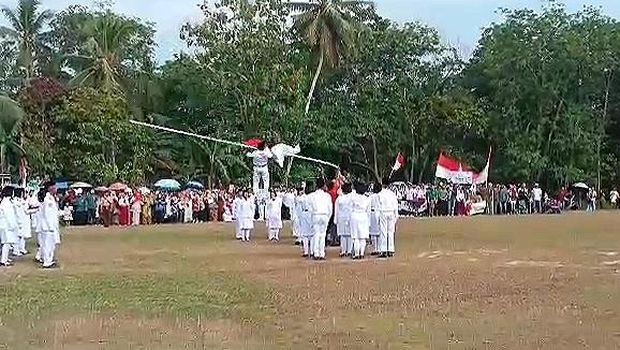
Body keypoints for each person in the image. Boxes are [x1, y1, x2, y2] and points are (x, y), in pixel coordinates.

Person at [308, 178, 332, 260]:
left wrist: (311, 217)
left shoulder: (312, 196)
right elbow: (330, 209)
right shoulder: (327, 196)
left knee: (316, 234)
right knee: (323, 234)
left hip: (316, 215)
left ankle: (316, 253)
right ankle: (322, 253)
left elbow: (309, 208)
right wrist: (328, 218)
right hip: (324, 215)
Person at [38, 181, 60, 269]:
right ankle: (46, 262)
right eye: (55, 187)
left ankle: (49, 260)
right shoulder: (47, 199)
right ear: (50, 188)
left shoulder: (51, 198)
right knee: (47, 244)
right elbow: (47, 214)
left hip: (52, 225)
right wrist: (50, 226)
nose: (56, 188)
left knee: (52, 244)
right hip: (48, 226)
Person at [377, 178, 399, 258]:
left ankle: (384, 250)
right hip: (391, 213)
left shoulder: (380, 194)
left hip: (383, 212)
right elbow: (395, 205)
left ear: (382, 184)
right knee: (390, 231)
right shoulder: (392, 194)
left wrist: (378, 217)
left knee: (383, 231)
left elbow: (378, 206)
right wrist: (396, 215)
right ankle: (390, 249)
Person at [349, 182, 371, 260]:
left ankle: (357, 253)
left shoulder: (353, 198)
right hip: (363, 216)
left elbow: (350, 209)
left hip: (354, 216)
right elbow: (368, 211)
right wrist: (368, 222)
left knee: (355, 237)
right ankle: (362, 253)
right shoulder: (367, 199)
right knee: (362, 237)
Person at [334, 182, 353, 257]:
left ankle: (344, 250)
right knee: (349, 235)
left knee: (343, 235)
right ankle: (349, 250)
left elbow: (336, 210)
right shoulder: (352, 198)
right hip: (349, 217)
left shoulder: (339, 198)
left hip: (341, 217)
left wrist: (335, 219)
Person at [0, 187, 17, 266]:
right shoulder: (6, 203)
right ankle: (4, 260)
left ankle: (5, 258)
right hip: (7, 225)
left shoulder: (6, 202)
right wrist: (12, 225)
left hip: (5, 225)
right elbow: (9, 215)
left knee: (6, 243)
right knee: (6, 243)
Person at [298, 186, 313, 257]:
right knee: (311, 234)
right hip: (311, 214)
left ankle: (306, 251)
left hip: (304, 214)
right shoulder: (313, 197)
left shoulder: (302, 198)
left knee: (305, 234)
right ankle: (312, 251)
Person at [369, 183, 381, 255]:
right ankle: (379, 248)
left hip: (373, 213)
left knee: (373, 232)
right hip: (379, 213)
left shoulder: (371, 196)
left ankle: (375, 248)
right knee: (379, 231)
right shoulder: (381, 196)